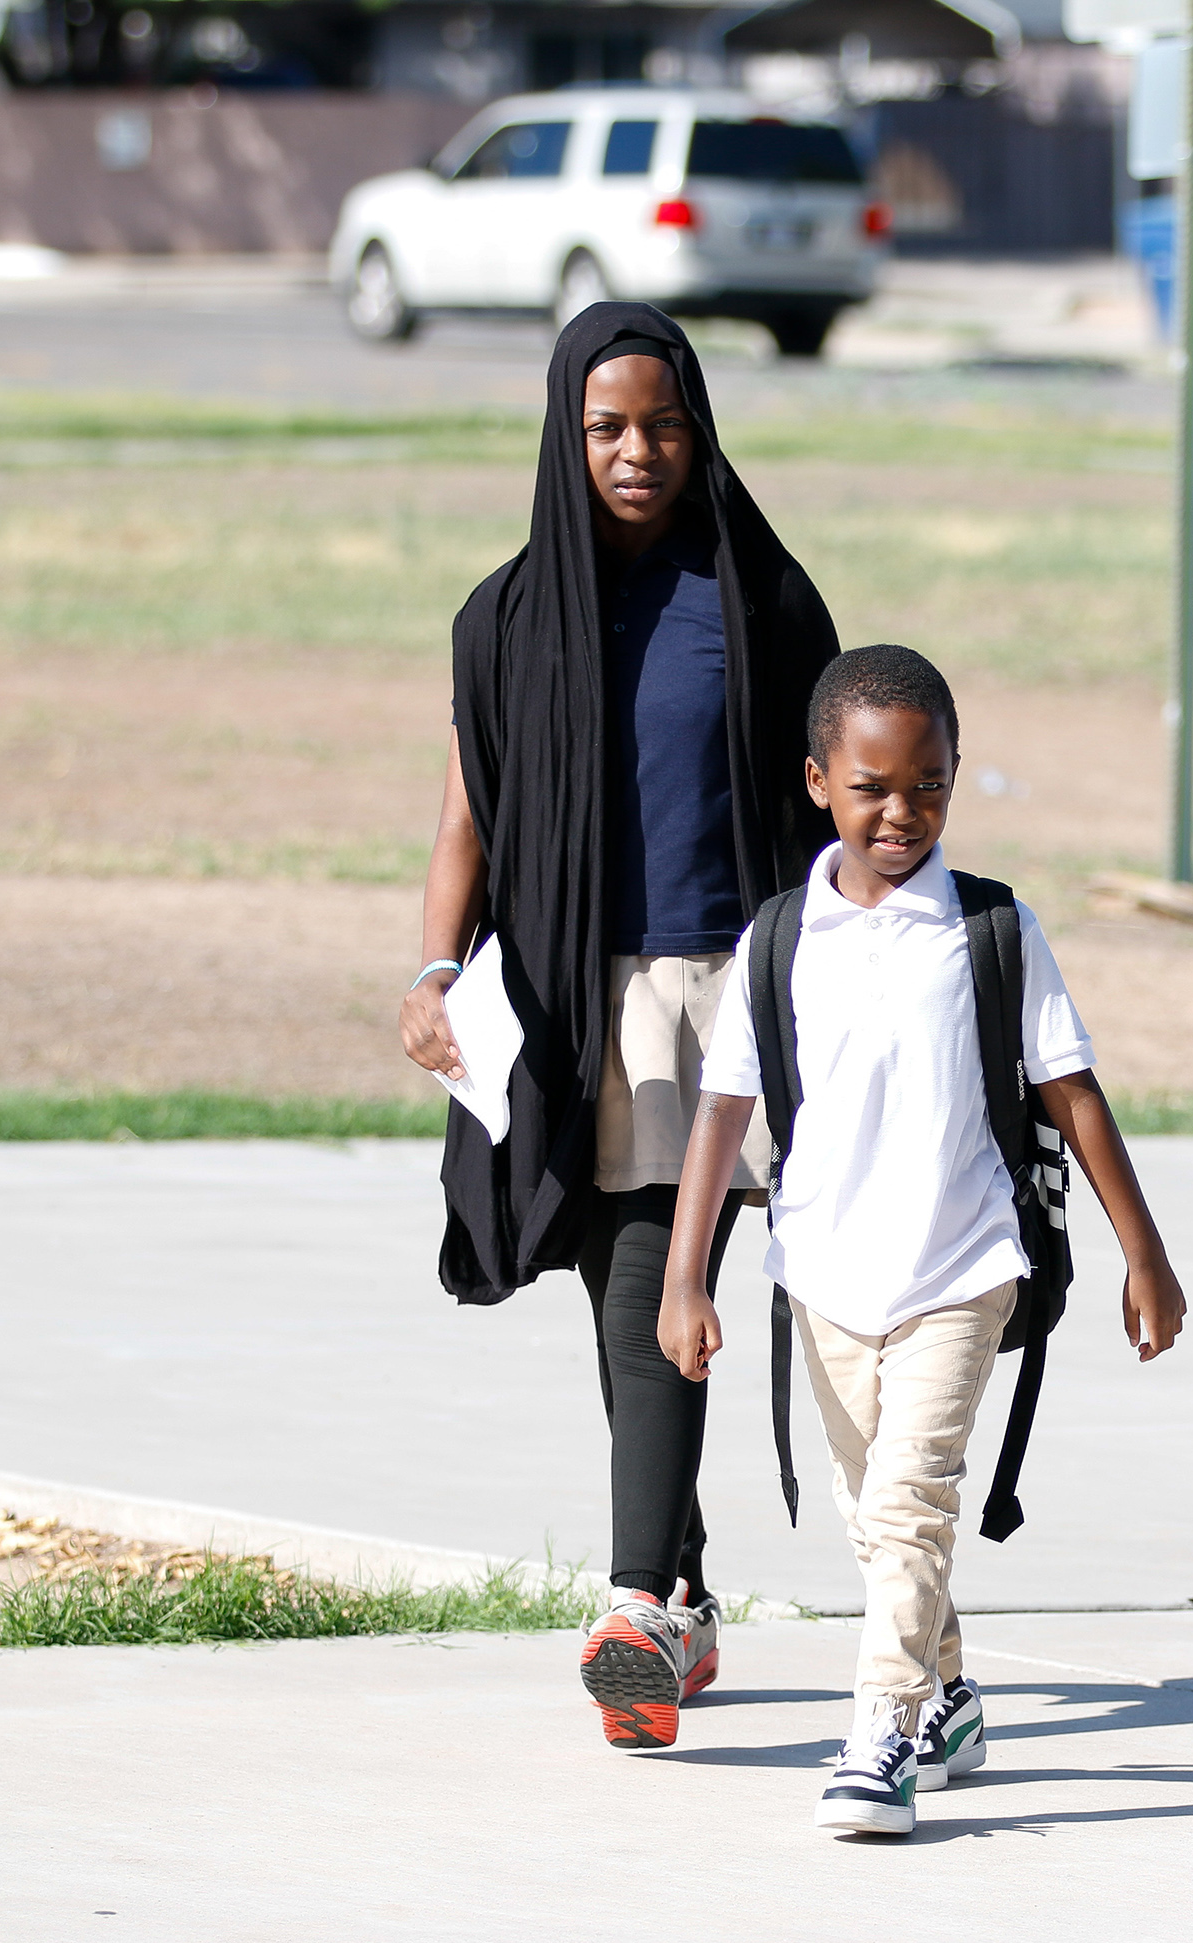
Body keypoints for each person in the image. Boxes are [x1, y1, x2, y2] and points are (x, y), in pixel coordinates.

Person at [399, 303, 841, 1750]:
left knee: (660, 1275)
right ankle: (684, 1596)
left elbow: (843, 804)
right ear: (563, 435)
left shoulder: (765, 606)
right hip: (569, 1003)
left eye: (662, 424)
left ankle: (640, 1600)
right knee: (622, 1295)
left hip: (729, 992)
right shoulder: (503, 619)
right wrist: (430, 972)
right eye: (606, 429)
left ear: (701, 426)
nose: (638, 452)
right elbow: (470, 814)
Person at [656, 645, 1187, 1837]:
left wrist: (1143, 1250)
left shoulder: (992, 927)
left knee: (908, 1506)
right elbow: (723, 1109)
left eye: (931, 785)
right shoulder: (780, 941)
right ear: (816, 782)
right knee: (876, 1518)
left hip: (962, 1268)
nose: (903, 813)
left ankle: (881, 1733)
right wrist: (685, 1272)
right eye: (874, 789)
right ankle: (946, 1692)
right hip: (826, 1278)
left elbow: (1073, 1091)